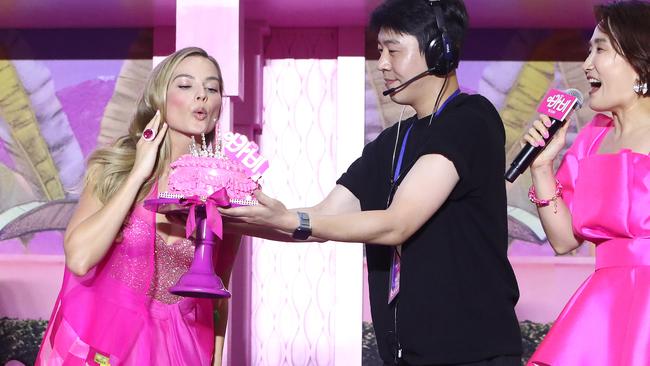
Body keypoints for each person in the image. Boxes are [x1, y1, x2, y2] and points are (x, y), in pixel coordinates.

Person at [220, 0, 522, 365]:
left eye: (393, 50)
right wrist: (225, 217)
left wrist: (288, 219)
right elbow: (320, 218)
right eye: (379, 51)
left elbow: (398, 223)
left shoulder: (470, 120)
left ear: (439, 51)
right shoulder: (391, 142)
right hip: (408, 356)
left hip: (474, 353)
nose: (381, 64)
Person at [35, 47, 240, 366]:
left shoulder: (224, 193)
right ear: (160, 97)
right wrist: (138, 175)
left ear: (217, 108)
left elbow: (218, 295)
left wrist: (217, 359)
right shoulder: (114, 169)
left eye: (211, 88)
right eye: (186, 85)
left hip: (179, 350)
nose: (201, 95)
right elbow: (79, 258)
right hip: (105, 344)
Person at [522, 1, 650, 365]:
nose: (586, 64)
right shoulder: (592, 138)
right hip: (604, 308)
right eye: (587, 49)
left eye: (600, 49)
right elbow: (564, 240)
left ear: (639, 60)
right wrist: (542, 167)